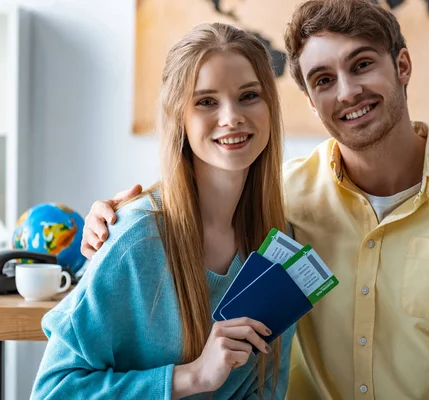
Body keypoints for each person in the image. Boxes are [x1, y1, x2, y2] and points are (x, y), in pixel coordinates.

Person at [80, 0, 429, 399]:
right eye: (323, 80)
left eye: (362, 65)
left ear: (402, 65)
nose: (347, 92)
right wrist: (114, 214)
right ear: (308, 100)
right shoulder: (279, 200)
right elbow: (197, 188)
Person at [31, 22, 295, 400]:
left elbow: (266, 389)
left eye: (249, 95)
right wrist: (192, 377)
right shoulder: (135, 238)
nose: (231, 116)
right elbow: (51, 391)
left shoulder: (280, 244)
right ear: (179, 118)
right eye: (206, 101)